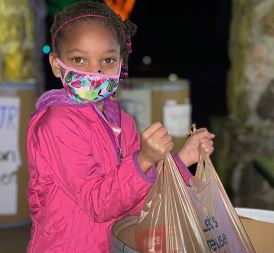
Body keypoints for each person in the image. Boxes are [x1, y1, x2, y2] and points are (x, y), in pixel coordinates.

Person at [26, 1, 215, 252]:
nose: (95, 70)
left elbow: (139, 198)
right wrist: (144, 158)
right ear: (56, 65)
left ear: (121, 65)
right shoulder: (57, 124)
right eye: (79, 59)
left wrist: (182, 158)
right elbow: (99, 203)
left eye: (107, 60)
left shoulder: (122, 122)